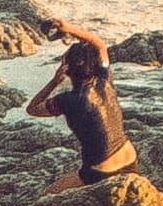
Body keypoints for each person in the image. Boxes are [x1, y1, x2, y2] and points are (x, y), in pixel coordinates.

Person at [26, 20, 138, 192]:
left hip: (102, 169)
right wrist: (69, 29)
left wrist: (54, 82)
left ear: (66, 69)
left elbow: (32, 109)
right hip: (129, 157)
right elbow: (99, 44)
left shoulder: (67, 101)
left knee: (48, 196)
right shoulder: (104, 78)